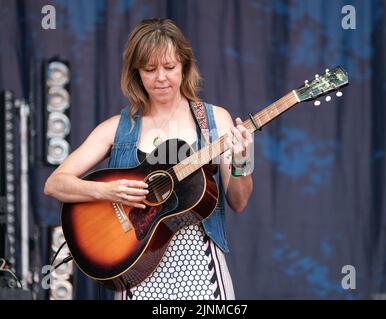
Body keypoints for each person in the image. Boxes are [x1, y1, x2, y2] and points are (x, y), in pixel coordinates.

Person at [44, 18, 253, 300]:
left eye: (169, 67)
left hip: (202, 269)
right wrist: (106, 190)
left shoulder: (215, 121)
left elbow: (239, 202)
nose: (161, 78)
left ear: (185, 66)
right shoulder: (117, 128)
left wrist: (242, 160)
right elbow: (55, 184)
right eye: (150, 69)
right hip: (135, 269)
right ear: (136, 72)